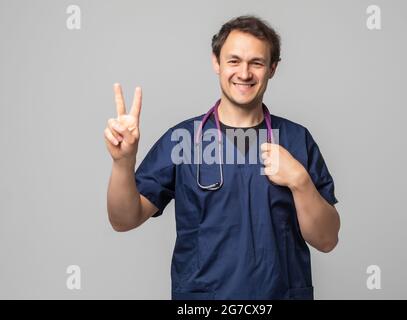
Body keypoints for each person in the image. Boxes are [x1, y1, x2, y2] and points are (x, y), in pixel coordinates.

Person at [104, 15, 340, 300]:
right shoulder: (184, 140)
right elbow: (124, 220)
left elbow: (326, 240)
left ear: (272, 69)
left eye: (257, 62)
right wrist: (123, 163)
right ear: (216, 62)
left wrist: (300, 181)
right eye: (234, 60)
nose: (244, 73)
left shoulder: (296, 140)